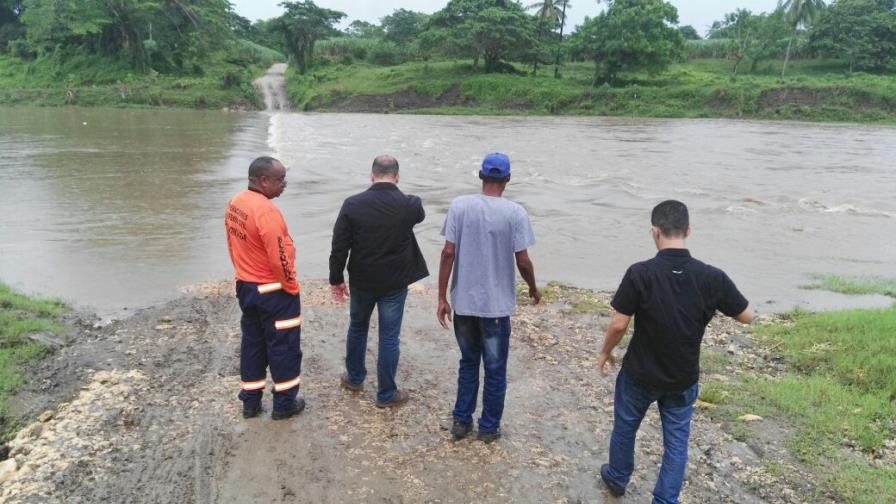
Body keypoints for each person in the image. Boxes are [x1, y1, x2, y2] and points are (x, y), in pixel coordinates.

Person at [597, 200, 754, 503]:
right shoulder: (712, 277)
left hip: (640, 373)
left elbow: (618, 324)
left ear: (654, 232)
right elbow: (746, 316)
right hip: (682, 377)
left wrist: (605, 352)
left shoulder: (640, 273)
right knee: (677, 443)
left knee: (626, 427)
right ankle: (665, 500)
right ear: (688, 231)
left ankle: (617, 477)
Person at [437, 152, 541, 444]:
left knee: (468, 361)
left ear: (481, 176)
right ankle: (488, 427)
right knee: (495, 369)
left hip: (464, 304)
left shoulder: (460, 206)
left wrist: (442, 297)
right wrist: (533, 287)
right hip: (496, 308)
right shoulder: (515, 212)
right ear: (507, 180)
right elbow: (522, 260)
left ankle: (461, 421)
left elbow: (448, 253)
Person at [329, 155, 429, 408]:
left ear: (371, 175)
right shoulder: (410, 205)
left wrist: (336, 279)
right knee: (388, 337)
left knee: (358, 327)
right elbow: (419, 215)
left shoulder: (352, 204)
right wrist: (395, 191)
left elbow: (339, 246)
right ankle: (386, 394)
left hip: (362, 279)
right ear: (397, 176)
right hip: (394, 283)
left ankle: (354, 378)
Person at [225, 156, 305, 421]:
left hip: (247, 287)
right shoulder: (267, 212)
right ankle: (284, 405)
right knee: (284, 347)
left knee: (253, 345)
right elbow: (279, 257)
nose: (284, 184)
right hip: (273, 292)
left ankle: (250, 403)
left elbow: (233, 245)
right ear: (263, 180)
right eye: (280, 179)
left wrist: (242, 276)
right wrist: (291, 287)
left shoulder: (236, 202)